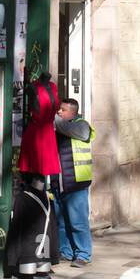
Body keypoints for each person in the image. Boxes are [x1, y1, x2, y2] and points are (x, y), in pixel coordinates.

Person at [52, 98, 94, 268]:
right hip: (59, 183)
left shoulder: (81, 125)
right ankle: (66, 251)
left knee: (78, 222)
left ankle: (83, 254)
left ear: (73, 113)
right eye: (58, 110)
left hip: (76, 184)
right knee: (62, 222)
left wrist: (52, 116)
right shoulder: (59, 127)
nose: (59, 113)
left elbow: (69, 129)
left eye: (62, 110)